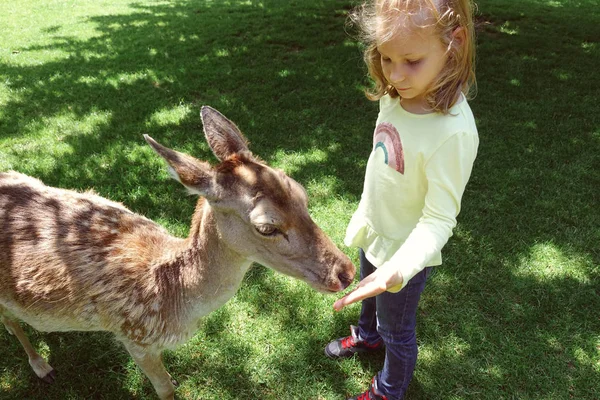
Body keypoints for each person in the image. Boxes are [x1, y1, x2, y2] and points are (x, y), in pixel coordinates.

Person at [324, 1, 479, 399]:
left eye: (411, 60)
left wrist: (399, 269)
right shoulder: (394, 95)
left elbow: (440, 219)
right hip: (377, 228)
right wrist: (368, 209)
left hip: (406, 254)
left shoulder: (453, 133)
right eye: (386, 57)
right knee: (368, 291)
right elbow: (385, 159)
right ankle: (368, 335)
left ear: (454, 44)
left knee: (399, 328)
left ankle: (389, 388)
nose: (395, 74)